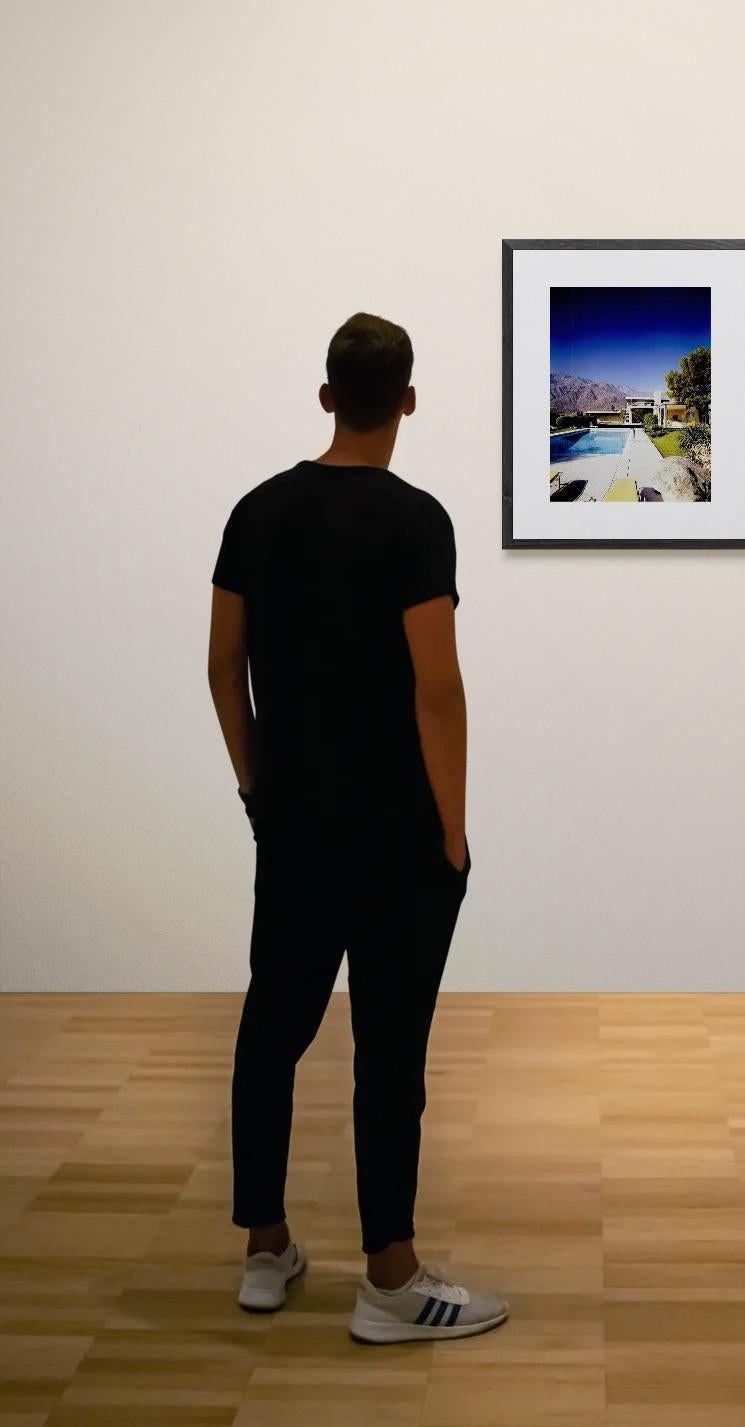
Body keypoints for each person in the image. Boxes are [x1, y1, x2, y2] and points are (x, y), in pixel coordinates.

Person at [206, 313, 509, 1343]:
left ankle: (264, 1250)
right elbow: (438, 688)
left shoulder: (257, 512)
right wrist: (453, 832)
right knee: (389, 1047)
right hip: (396, 835)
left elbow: (221, 664)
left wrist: (256, 788)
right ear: (408, 402)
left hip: (293, 825)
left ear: (326, 395)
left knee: (271, 1030)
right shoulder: (418, 522)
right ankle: (388, 1279)